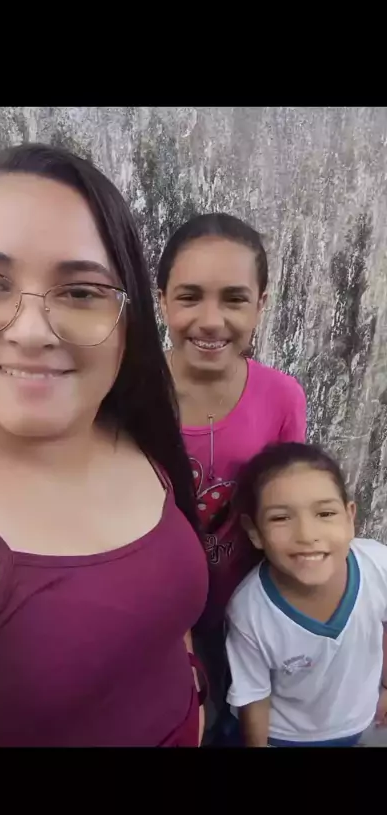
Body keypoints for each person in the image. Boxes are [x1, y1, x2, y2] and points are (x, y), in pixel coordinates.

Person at [0, 143, 209, 747]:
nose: (30, 331)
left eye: (80, 292)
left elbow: (165, 618)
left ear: (125, 314)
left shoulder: (123, 423)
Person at [157, 213, 307, 738]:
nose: (211, 320)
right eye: (189, 296)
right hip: (151, 615)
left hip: (241, 613)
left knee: (231, 724)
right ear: (162, 301)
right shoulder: (127, 393)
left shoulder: (281, 397)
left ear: (260, 305)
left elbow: (287, 504)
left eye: (235, 299)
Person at [226, 442, 387, 747]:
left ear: (349, 517)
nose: (307, 535)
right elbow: (254, 697)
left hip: (365, 721)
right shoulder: (249, 611)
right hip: (286, 737)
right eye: (280, 518)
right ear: (254, 531)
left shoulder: (379, 565)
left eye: (325, 513)